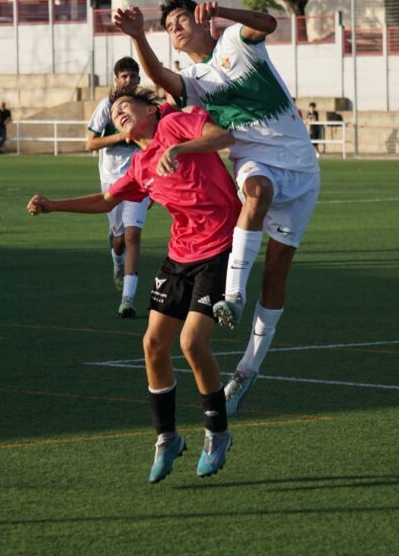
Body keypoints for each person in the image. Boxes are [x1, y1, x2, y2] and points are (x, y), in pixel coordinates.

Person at [113, 0, 321, 417]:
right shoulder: (191, 80)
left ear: (202, 20)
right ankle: (233, 296)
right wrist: (137, 36)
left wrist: (226, 11)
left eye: (181, 18)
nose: (175, 26)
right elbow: (156, 76)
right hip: (254, 161)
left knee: (277, 274)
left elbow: (268, 21)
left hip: (301, 168)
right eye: (168, 24)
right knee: (257, 191)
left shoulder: (234, 40)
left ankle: (247, 370)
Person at [27, 87, 240, 483]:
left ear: (150, 109)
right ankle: (167, 438)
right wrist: (54, 205)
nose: (120, 112)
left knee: (192, 342)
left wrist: (179, 150)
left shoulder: (176, 124)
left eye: (127, 106)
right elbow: (108, 200)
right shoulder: (141, 166)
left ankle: (217, 433)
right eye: (115, 111)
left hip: (221, 246)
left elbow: (224, 137)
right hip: (180, 255)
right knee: (152, 344)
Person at [86, 57, 152, 318]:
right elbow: (90, 143)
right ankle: (116, 260)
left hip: (139, 178)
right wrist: (122, 136)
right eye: (123, 76)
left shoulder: (145, 107)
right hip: (112, 180)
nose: (128, 81)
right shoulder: (107, 106)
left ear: (138, 79)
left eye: (133, 76)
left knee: (133, 235)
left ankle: (128, 299)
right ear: (116, 80)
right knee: (119, 240)